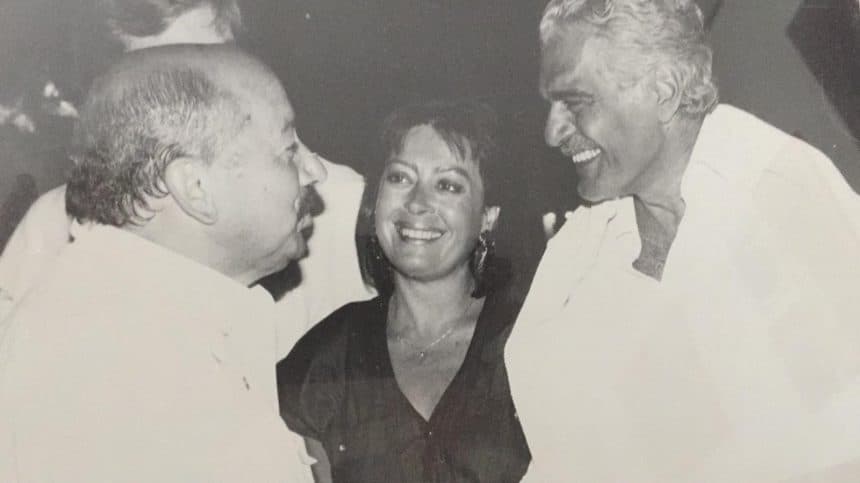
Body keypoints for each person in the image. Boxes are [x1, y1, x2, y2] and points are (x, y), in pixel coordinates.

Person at [505, 0, 860, 481]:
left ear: (665, 90)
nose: (552, 133)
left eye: (576, 102)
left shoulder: (782, 198)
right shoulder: (577, 260)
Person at [0, 45, 325, 481]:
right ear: (195, 188)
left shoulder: (138, 317)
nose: (315, 170)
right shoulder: (115, 363)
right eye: (288, 150)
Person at [0, 0, 373, 343]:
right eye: (162, 82)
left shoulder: (349, 209)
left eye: (211, 62)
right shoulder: (53, 225)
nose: (193, 92)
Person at [278, 100, 530, 483]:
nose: (416, 203)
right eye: (400, 178)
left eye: (447, 185)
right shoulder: (327, 357)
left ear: (487, 216)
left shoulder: (530, 338)